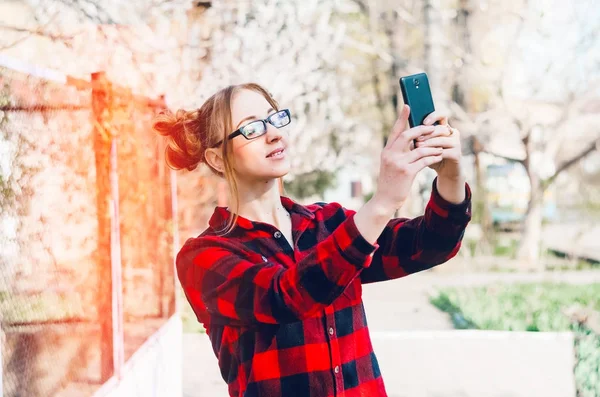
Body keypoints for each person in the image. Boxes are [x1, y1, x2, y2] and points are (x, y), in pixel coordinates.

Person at [153, 83, 472, 397]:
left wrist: (450, 174)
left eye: (274, 118)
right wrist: (382, 203)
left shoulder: (328, 223)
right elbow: (286, 296)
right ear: (217, 159)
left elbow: (429, 245)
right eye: (251, 128)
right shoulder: (204, 258)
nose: (274, 133)